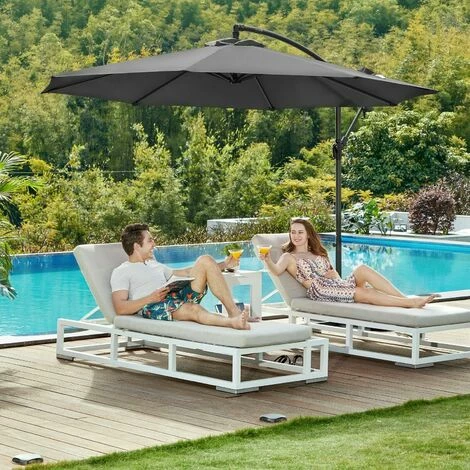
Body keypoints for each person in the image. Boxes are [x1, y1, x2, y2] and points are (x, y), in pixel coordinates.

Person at [260, 218, 437, 308]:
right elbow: (276, 271)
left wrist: (335, 275)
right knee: (364, 292)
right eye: (293, 232)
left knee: (363, 269)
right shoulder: (289, 257)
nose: (296, 236)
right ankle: (410, 304)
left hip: (336, 284)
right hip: (319, 289)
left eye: (300, 232)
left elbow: (335, 275)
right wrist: (267, 259)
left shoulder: (318, 253)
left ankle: (404, 298)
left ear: (308, 235)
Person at [111, 223, 250, 330]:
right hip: (152, 306)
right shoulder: (122, 271)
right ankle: (232, 322)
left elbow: (186, 273)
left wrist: (224, 264)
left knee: (205, 260)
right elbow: (120, 308)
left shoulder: (154, 264)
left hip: (173, 296)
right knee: (193, 309)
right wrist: (151, 298)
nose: (154, 244)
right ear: (136, 246)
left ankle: (234, 312)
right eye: (150, 241)